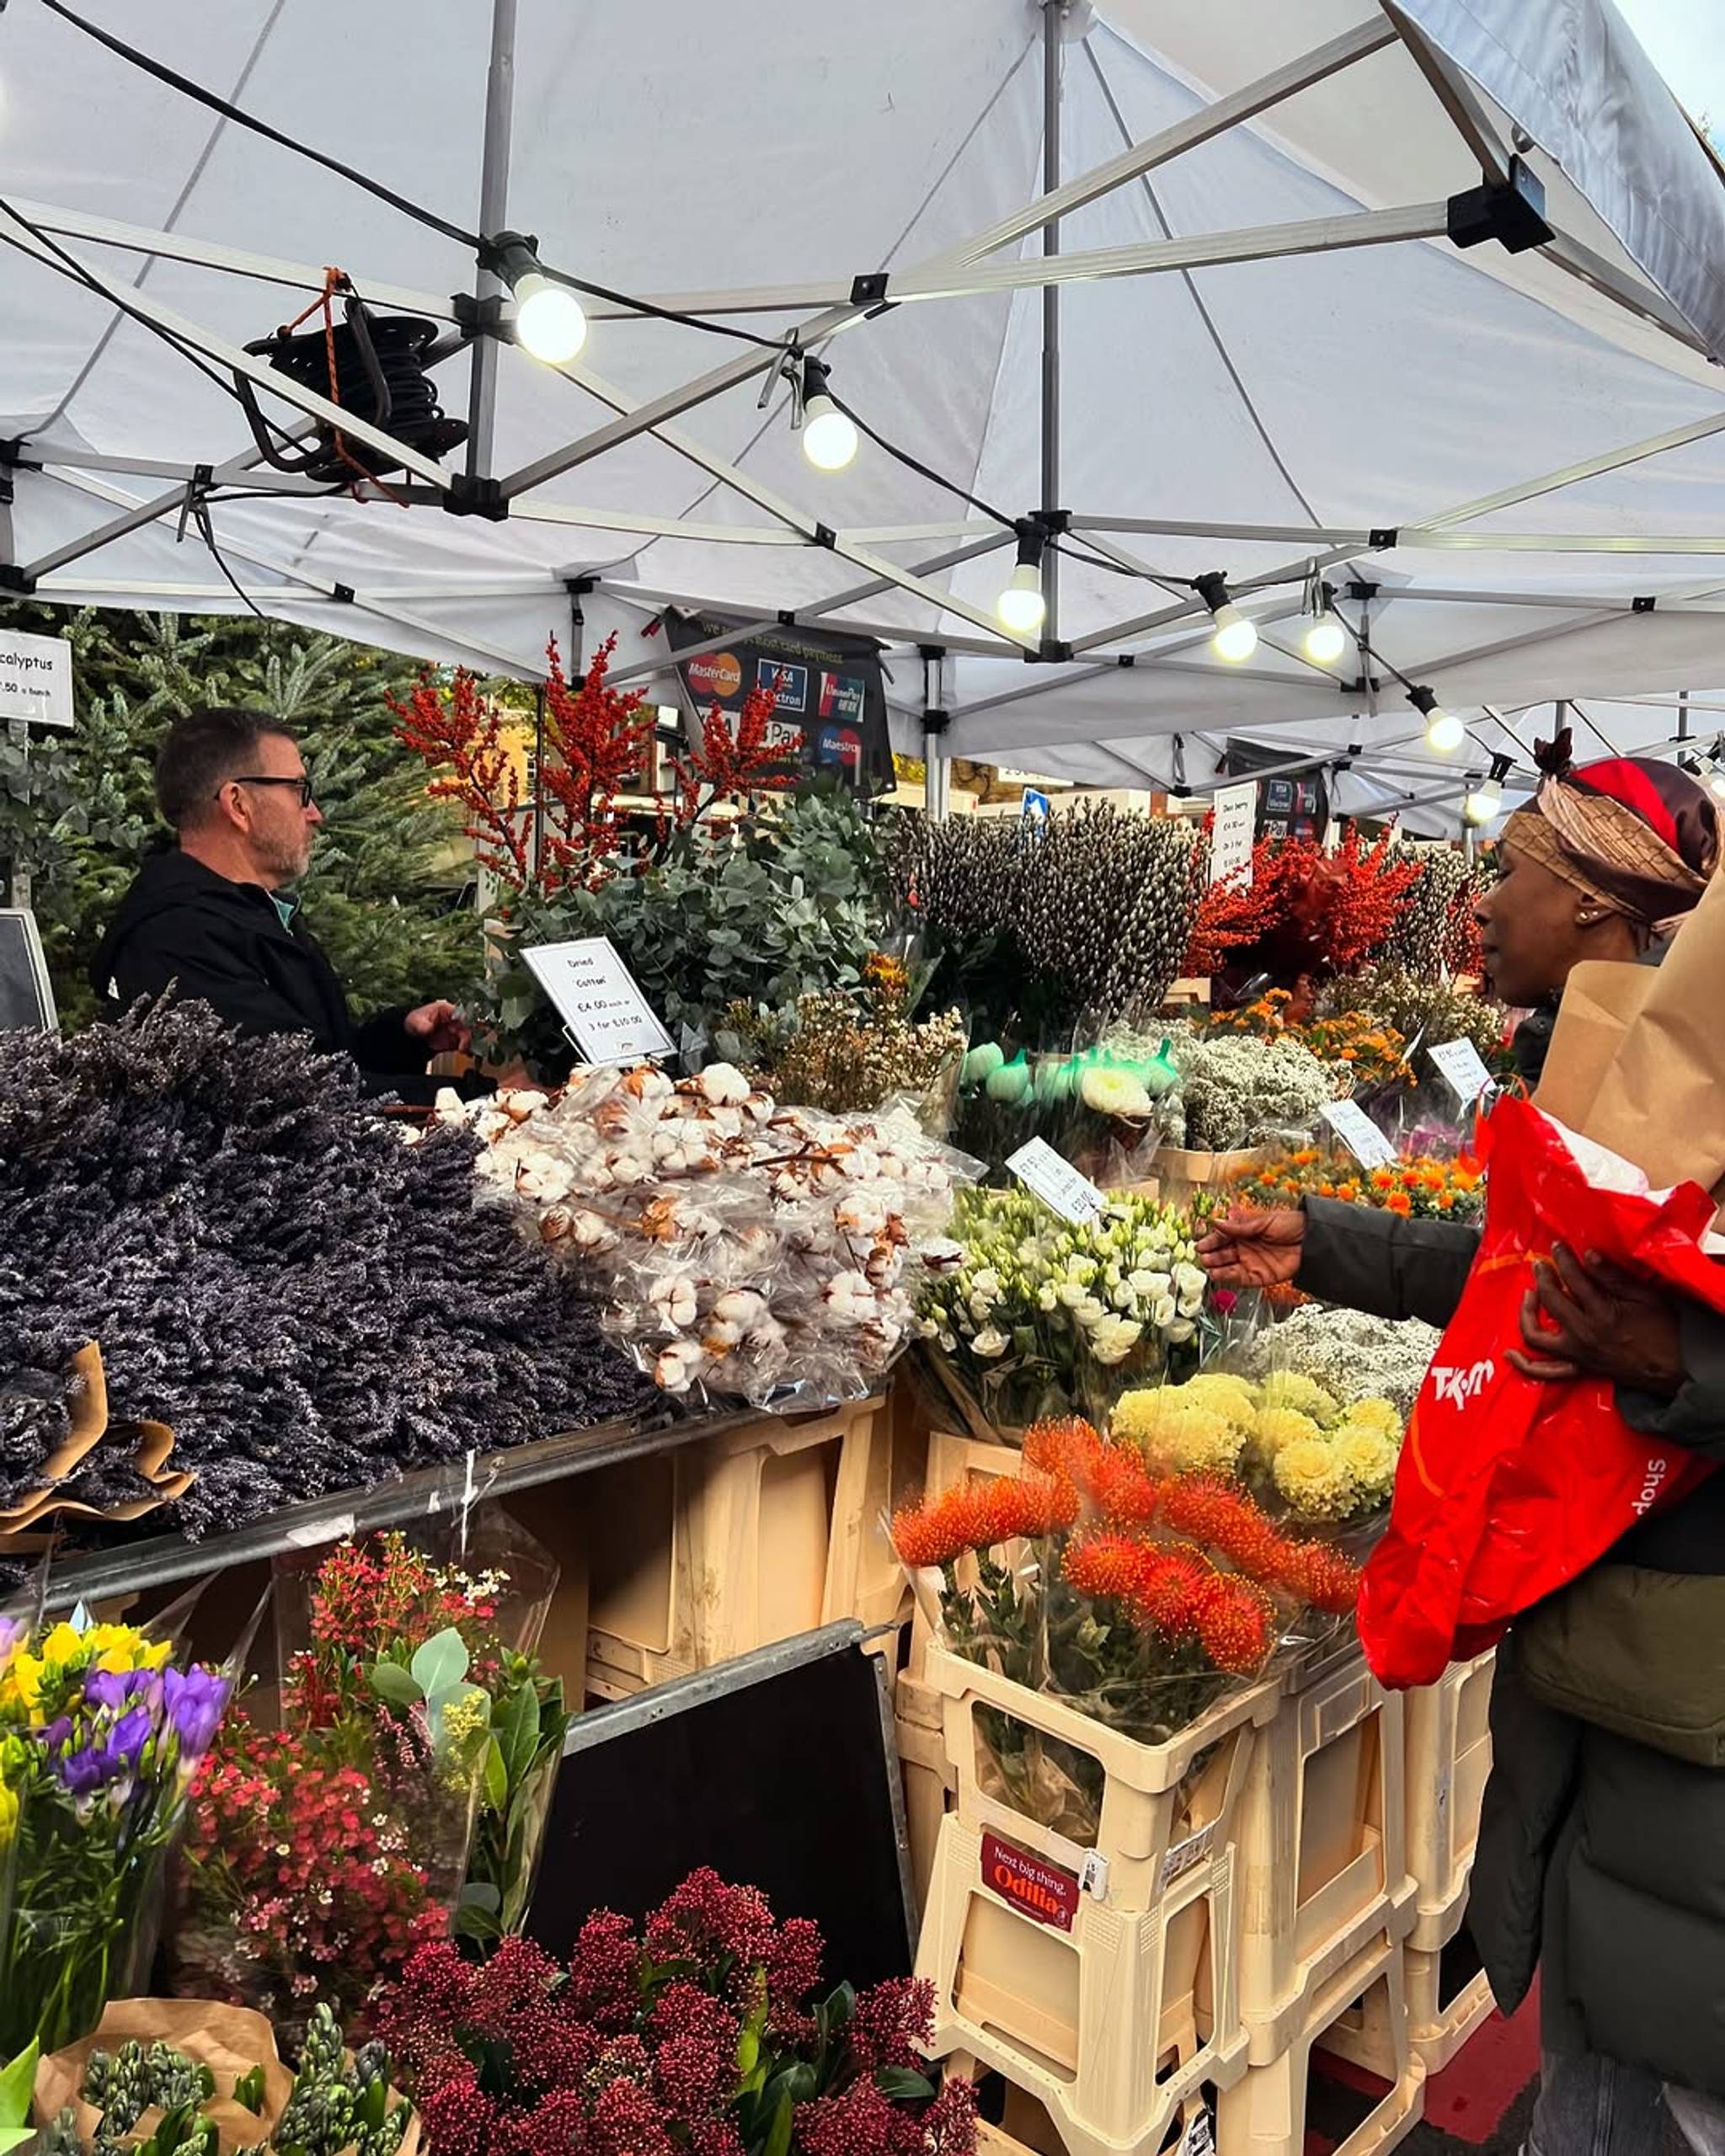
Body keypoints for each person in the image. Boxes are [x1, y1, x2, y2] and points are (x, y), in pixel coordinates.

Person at [1199, 741, 1725, 2155]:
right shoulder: (1606, 1086)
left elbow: (1626, 1327)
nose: (1477, 903)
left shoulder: (1683, 1091)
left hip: (1685, 1763)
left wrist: (1681, 1365)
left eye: (1506, 872)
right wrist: (1330, 1243)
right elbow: (1528, 1290)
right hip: (1627, 1735)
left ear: (1603, 909)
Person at [91, 706, 473, 1106]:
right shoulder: (178, 940)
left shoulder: (258, 914)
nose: (315, 814)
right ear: (238, 804)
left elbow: (324, 1059)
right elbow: (300, 1095)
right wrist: (485, 1098)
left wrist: (403, 1035)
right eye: (298, 791)